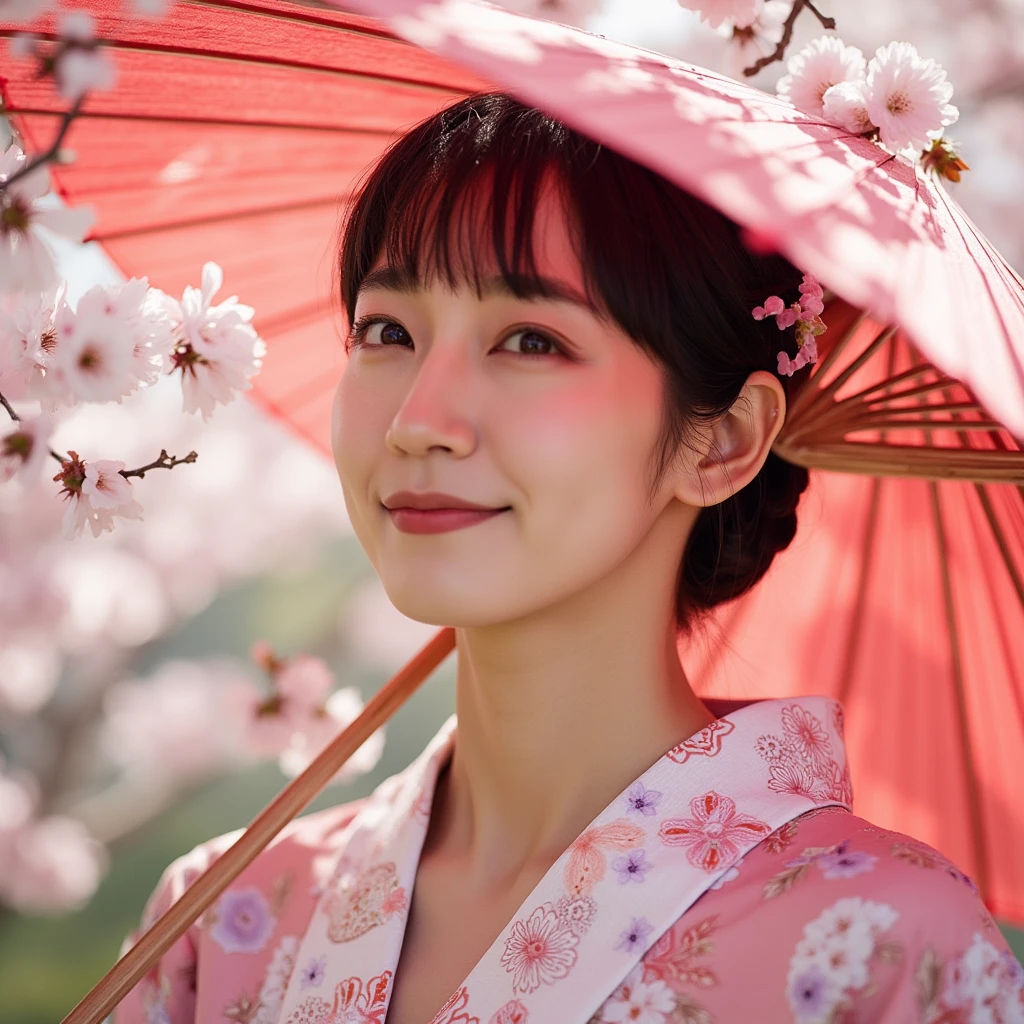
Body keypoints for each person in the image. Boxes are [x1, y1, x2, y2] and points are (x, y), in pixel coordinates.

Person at [115, 93, 1024, 1024]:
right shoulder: (225, 916)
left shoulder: (889, 948)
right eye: (387, 332)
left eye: (531, 340)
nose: (418, 422)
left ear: (722, 443)